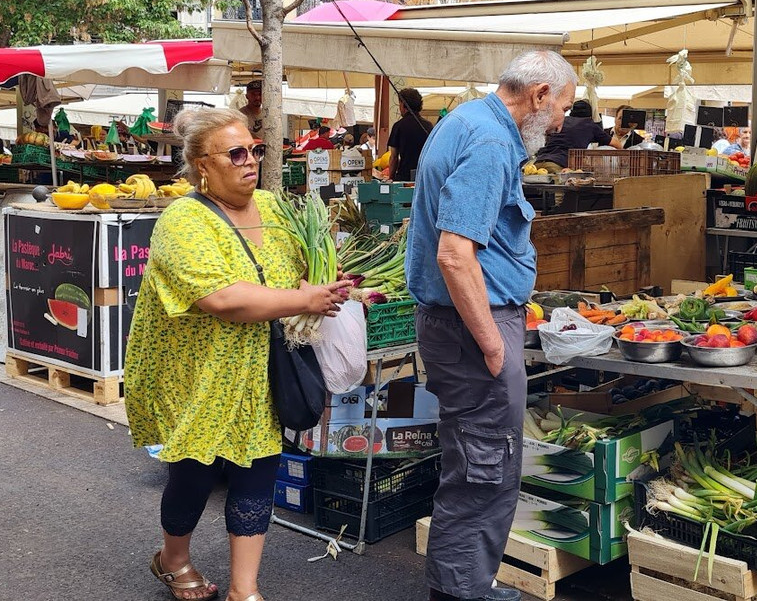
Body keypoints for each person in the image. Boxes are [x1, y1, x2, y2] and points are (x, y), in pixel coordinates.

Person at [124, 107, 350, 601]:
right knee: (196, 471)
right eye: (237, 153)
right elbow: (222, 298)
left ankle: (243, 588)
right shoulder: (182, 219)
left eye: (256, 150)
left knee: (259, 469)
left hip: (260, 368)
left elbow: (297, 273)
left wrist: (326, 287)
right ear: (203, 165)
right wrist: (304, 300)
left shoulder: (272, 207)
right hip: (197, 372)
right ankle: (173, 559)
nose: (251, 161)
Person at [406, 50, 577, 601]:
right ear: (540, 94)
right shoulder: (491, 142)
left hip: (458, 324)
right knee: (485, 467)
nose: (557, 126)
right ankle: (461, 593)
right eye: (561, 109)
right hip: (470, 329)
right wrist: (492, 345)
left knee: (476, 461)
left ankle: (466, 583)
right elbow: (455, 255)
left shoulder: (466, 119)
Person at [533, 99, 611, 172]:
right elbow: (614, 143)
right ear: (590, 115)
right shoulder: (589, 124)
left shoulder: (562, 120)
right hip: (558, 165)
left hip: (538, 163)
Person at [388, 87, 433, 181]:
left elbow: (394, 157)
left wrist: (391, 177)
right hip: (424, 176)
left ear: (403, 105)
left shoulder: (399, 126)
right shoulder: (428, 126)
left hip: (404, 177)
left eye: (399, 104)